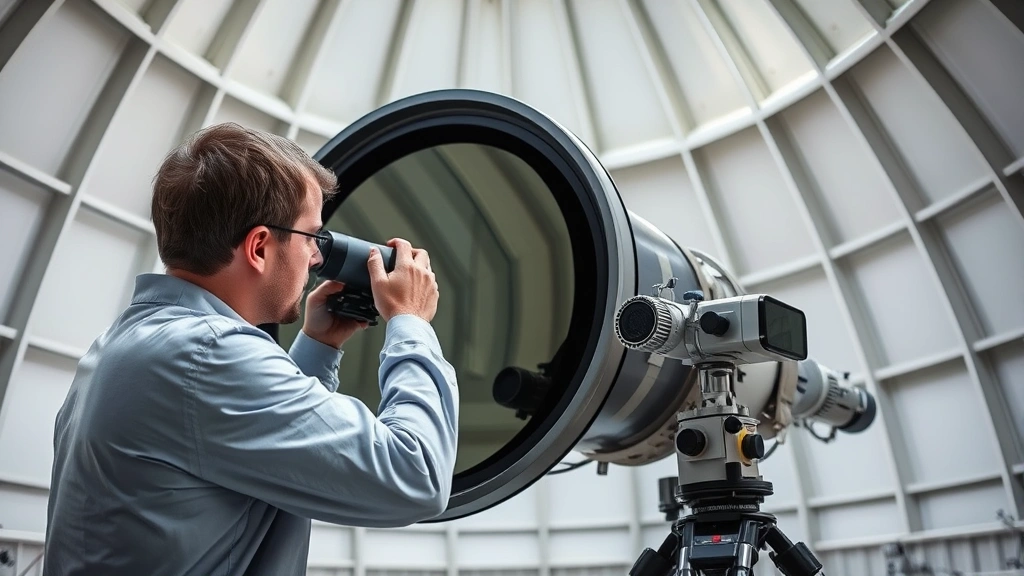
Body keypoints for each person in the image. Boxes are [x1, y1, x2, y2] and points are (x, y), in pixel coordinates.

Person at [43, 122, 459, 575]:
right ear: (259, 246)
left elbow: (245, 445)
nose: (318, 258)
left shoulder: (122, 345)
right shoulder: (209, 355)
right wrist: (410, 322)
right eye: (312, 238)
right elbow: (414, 475)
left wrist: (318, 347)